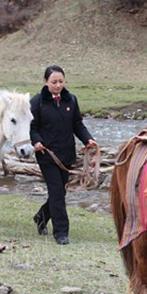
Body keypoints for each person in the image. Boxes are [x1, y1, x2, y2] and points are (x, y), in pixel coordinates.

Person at [29, 65, 96, 245]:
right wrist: (36, 141)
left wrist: (88, 139)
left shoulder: (71, 100)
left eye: (60, 81)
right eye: (54, 82)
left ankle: (41, 217)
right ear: (46, 82)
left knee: (60, 192)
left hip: (66, 154)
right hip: (47, 155)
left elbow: (77, 124)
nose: (58, 85)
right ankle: (61, 233)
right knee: (57, 192)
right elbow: (32, 127)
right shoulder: (37, 102)